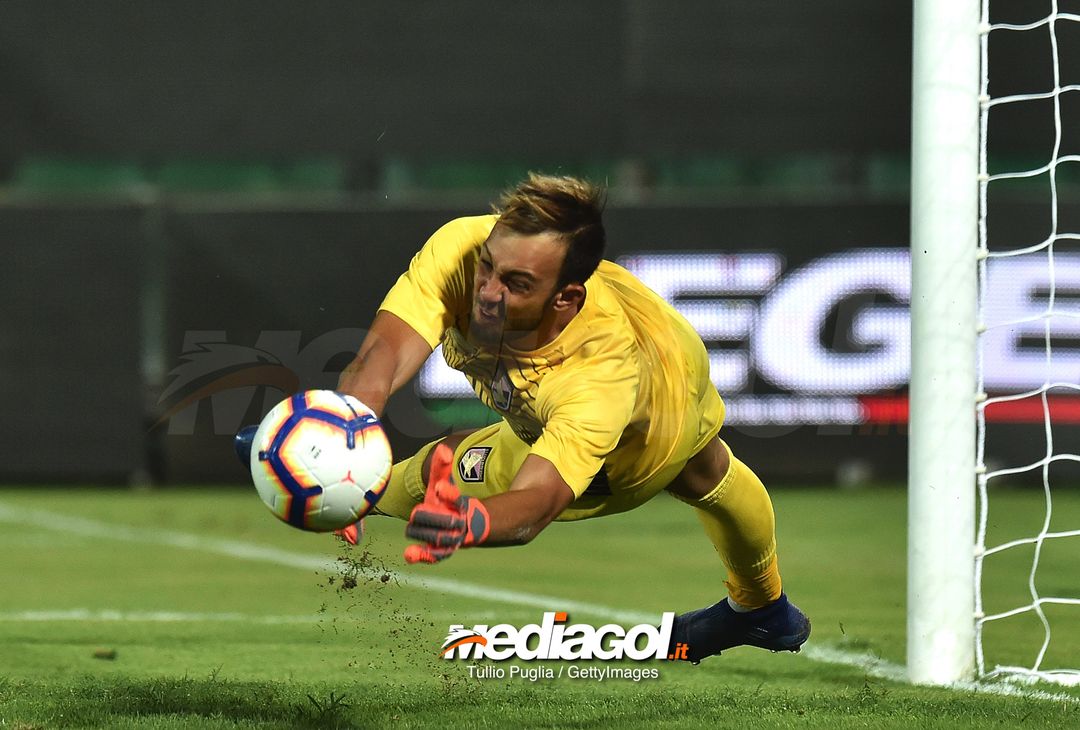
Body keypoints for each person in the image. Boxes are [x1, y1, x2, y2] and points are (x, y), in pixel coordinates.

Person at [239, 173, 809, 662]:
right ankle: (763, 611)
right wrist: (341, 441)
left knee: (697, 469)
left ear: (565, 299)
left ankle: (758, 605)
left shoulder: (598, 379)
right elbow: (379, 362)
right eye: (489, 267)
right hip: (635, 338)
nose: (486, 293)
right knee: (451, 459)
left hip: (645, 436)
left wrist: (472, 524)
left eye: (515, 285)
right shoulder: (461, 250)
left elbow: (537, 504)